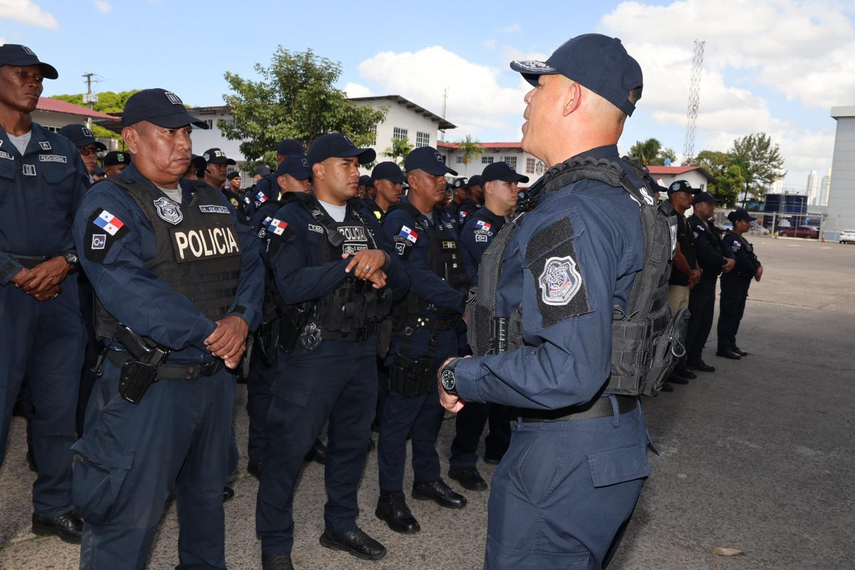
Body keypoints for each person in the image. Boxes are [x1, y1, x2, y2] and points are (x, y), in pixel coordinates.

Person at [438, 34, 670, 569]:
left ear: (571, 97)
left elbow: (569, 366)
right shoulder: (621, 195)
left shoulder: (573, 212)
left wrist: (461, 375)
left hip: (563, 457)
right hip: (606, 439)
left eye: (537, 86)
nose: (526, 99)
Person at [70, 88, 263, 569]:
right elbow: (126, 286)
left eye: (184, 133)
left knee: (205, 510)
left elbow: (252, 262)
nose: (182, 144)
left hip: (215, 383)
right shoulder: (110, 201)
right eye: (167, 133)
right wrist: (211, 333)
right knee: (125, 521)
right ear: (132, 138)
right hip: (150, 386)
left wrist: (241, 319)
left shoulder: (211, 196)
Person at [256, 134, 408, 569]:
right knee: (288, 450)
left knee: (352, 445)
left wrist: (382, 257)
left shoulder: (366, 215)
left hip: (362, 353)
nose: (356, 171)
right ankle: (274, 544)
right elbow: (289, 286)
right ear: (318, 170)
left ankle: (340, 524)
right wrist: (352, 263)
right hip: (313, 353)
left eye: (357, 164)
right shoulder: (292, 218)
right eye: (346, 164)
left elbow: (401, 282)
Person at [0, 43, 90, 544]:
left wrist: (66, 263)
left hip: (59, 292)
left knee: (58, 409)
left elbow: (88, 220)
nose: (34, 83)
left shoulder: (61, 149)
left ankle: (53, 506)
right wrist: (13, 272)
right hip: (4, 294)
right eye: (22, 74)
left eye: (39, 77)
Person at [376, 146, 474, 536]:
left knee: (434, 412)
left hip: (447, 333)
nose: (442, 182)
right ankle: (389, 497)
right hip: (414, 334)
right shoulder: (400, 221)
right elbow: (413, 274)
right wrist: (462, 301)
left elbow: (461, 269)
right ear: (412, 180)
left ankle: (426, 478)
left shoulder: (445, 220)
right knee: (399, 418)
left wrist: (472, 298)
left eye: (443, 176)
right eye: (433, 176)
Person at [448, 161, 526, 490]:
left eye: (517, 185)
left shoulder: (508, 224)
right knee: (478, 391)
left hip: (506, 316)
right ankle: (462, 459)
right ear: (490, 188)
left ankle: (498, 448)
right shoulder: (481, 225)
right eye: (510, 184)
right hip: (483, 315)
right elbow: (499, 271)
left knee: (505, 388)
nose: (516, 190)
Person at [244, 153, 312, 478]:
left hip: (302, 318)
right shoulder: (272, 215)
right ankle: (259, 454)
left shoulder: (313, 214)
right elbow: (259, 267)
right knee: (265, 389)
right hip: (273, 315)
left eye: (311, 179)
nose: (309, 185)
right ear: (282, 182)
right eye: (302, 180)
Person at [685, 192, 735, 372]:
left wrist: (731, 258)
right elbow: (703, 250)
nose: (713, 208)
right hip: (699, 280)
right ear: (698, 206)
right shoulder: (693, 225)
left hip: (711, 280)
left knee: (705, 322)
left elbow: (722, 245)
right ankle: (684, 361)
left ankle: (695, 358)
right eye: (710, 204)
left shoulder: (709, 226)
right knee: (694, 322)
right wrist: (724, 262)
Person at [664, 180, 700, 387]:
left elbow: (689, 250)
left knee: (679, 327)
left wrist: (696, 271)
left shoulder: (683, 220)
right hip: (675, 282)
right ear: (675, 196)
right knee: (670, 328)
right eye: (688, 194)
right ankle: (665, 372)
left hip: (685, 281)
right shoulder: (670, 218)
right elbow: (676, 253)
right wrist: (690, 272)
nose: (691, 198)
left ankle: (676, 367)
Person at [717, 208, 763, 359]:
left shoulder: (741, 239)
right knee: (728, 314)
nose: (749, 224)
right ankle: (724, 347)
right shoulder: (731, 240)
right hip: (733, 281)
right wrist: (754, 271)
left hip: (742, 282)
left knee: (736, 314)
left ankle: (731, 344)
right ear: (737, 222)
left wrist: (758, 266)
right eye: (746, 221)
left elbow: (750, 256)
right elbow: (741, 260)